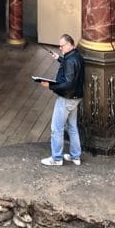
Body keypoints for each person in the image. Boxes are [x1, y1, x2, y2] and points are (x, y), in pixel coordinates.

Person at [40, 33, 85, 167]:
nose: (60, 48)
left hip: (66, 98)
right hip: (76, 97)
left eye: (62, 46)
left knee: (56, 128)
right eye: (59, 46)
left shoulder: (70, 61)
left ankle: (56, 158)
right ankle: (75, 156)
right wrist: (59, 58)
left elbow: (68, 83)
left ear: (70, 44)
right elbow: (71, 66)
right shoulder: (76, 56)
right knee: (72, 127)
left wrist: (50, 85)